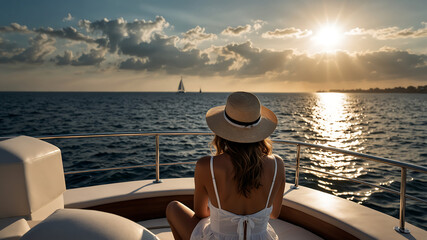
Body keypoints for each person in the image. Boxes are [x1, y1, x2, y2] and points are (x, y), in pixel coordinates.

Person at [166, 91, 285, 240]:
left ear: (222, 131)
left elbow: (201, 213)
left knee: (173, 208)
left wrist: (223, 214)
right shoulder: (277, 164)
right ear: (259, 130)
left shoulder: (206, 165)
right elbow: (274, 214)